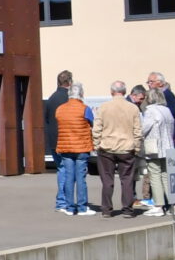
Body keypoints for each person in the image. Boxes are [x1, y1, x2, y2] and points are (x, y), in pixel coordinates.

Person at [92, 80, 143, 217]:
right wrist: (137, 147)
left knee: (107, 180)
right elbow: (137, 130)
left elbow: (97, 128)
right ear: (125, 92)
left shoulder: (104, 107)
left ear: (111, 92)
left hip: (106, 147)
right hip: (127, 147)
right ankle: (127, 209)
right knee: (127, 180)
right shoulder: (133, 108)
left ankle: (106, 210)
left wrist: (97, 144)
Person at [136, 84, 175, 217]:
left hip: (154, 147)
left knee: (155, 175)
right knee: (167, 176)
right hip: (168, 146)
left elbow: (145, 128)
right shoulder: (167, 110)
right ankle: (174, 205)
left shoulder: (150, 111)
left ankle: (159, 206)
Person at [53, 82, 95, 216]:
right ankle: (82, 207)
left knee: (69, 177)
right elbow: (92, 124)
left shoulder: (60, 109)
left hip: (65, 147)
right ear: (81, 94)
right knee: (81, 178)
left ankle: (70, 207)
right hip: (81, 147)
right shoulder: (85, 109)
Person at [43, 69, 72, 187]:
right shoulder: (69, 99)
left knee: (61, 168)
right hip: (67, 140)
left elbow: (47, 119)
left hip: (53, 141)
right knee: (69, 171)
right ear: (69, 82)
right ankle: (64, 196)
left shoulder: (51, 98)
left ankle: (61, 196)